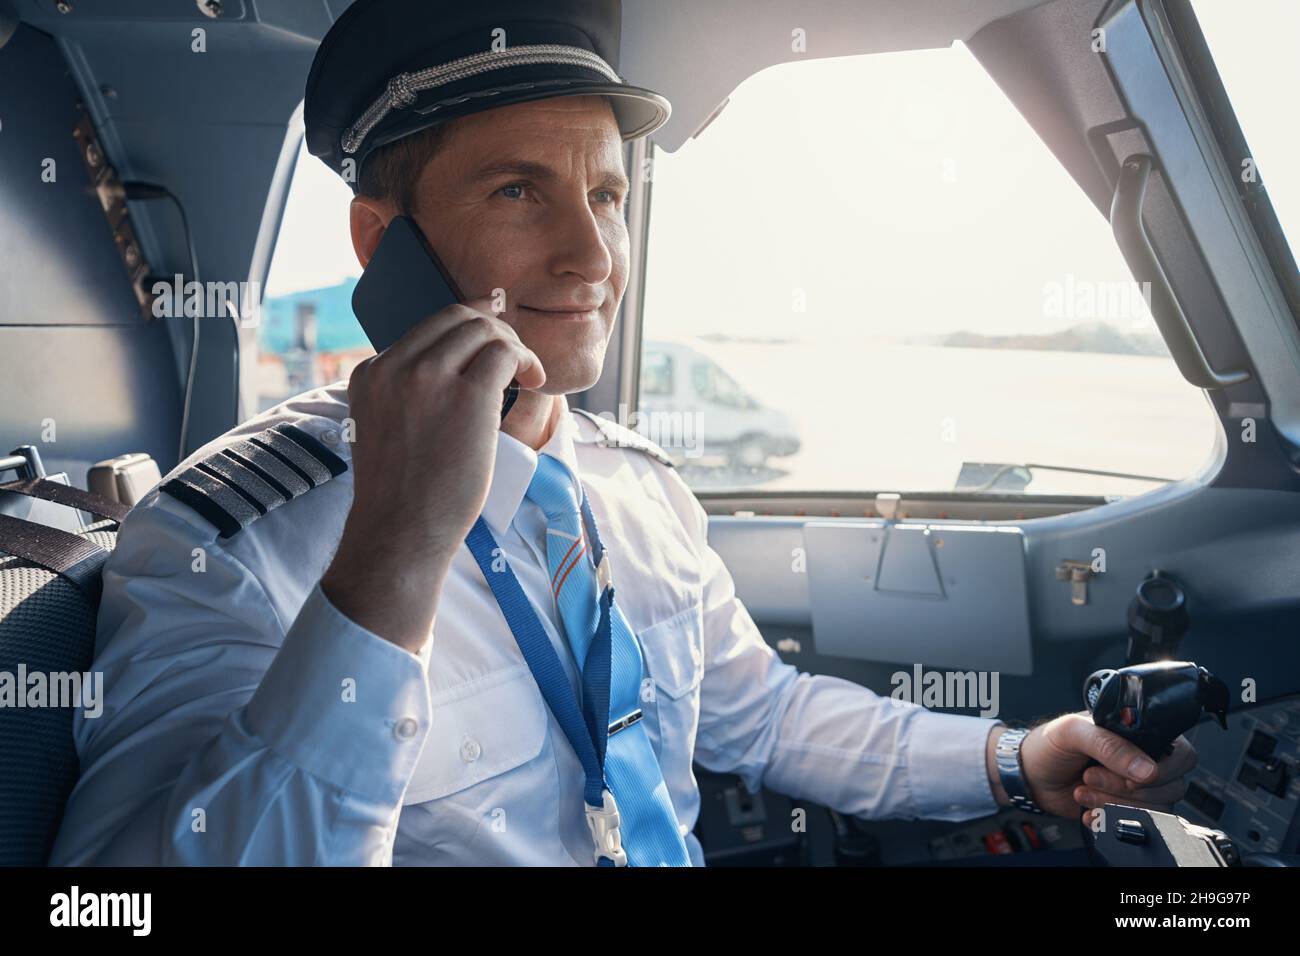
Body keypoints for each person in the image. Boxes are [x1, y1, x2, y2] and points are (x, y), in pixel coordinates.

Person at [50, 0, 1196, 867]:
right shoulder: (229, 539)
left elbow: (765, 711)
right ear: (380, 241)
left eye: (604, 195)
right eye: (517, 192)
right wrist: (390, 557)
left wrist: (1012, 757)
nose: (593, 258)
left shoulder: (634, 485)